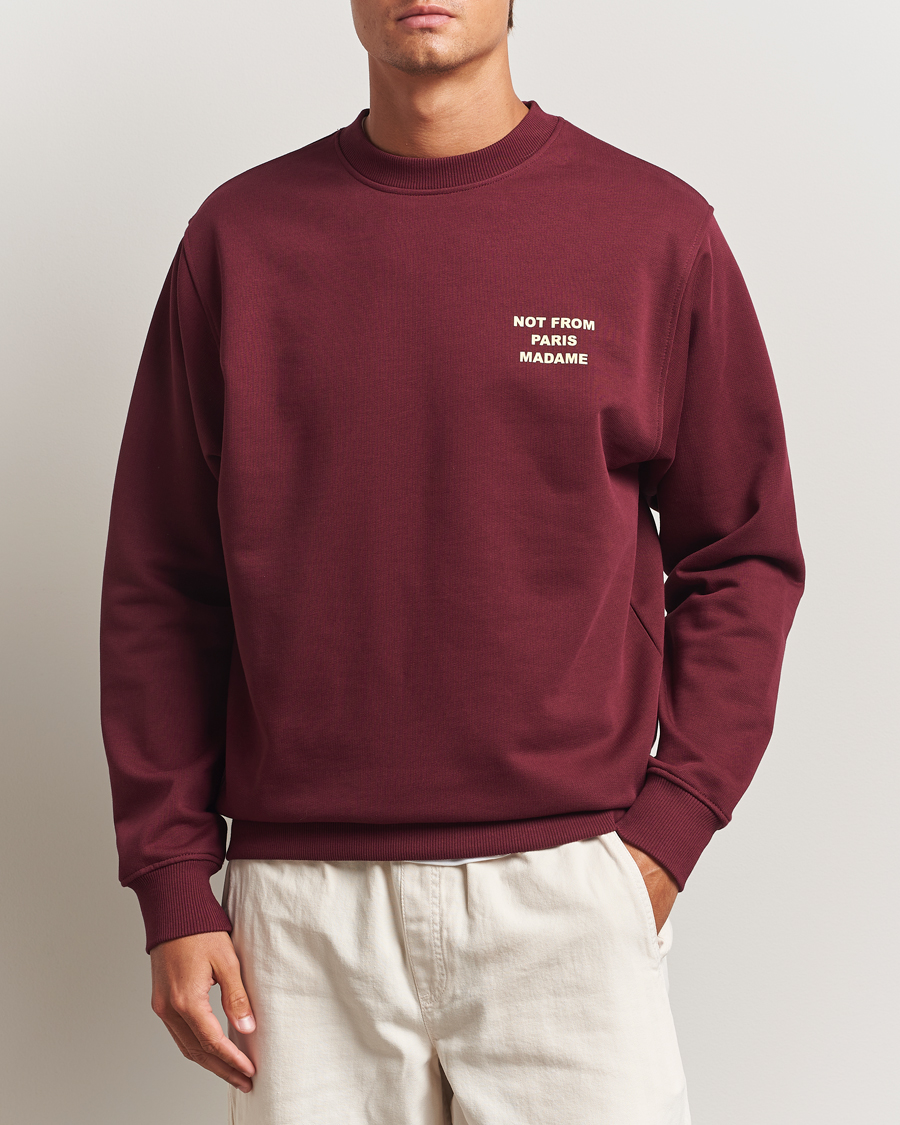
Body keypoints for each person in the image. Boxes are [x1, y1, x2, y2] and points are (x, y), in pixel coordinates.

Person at [99, 1, 805, 1121]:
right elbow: (161, 582)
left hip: (566, 888)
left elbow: (743, 551)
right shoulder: (239, 240)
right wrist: (173, 881)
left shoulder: (653, 231)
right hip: (302, 909)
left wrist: (669, 833)